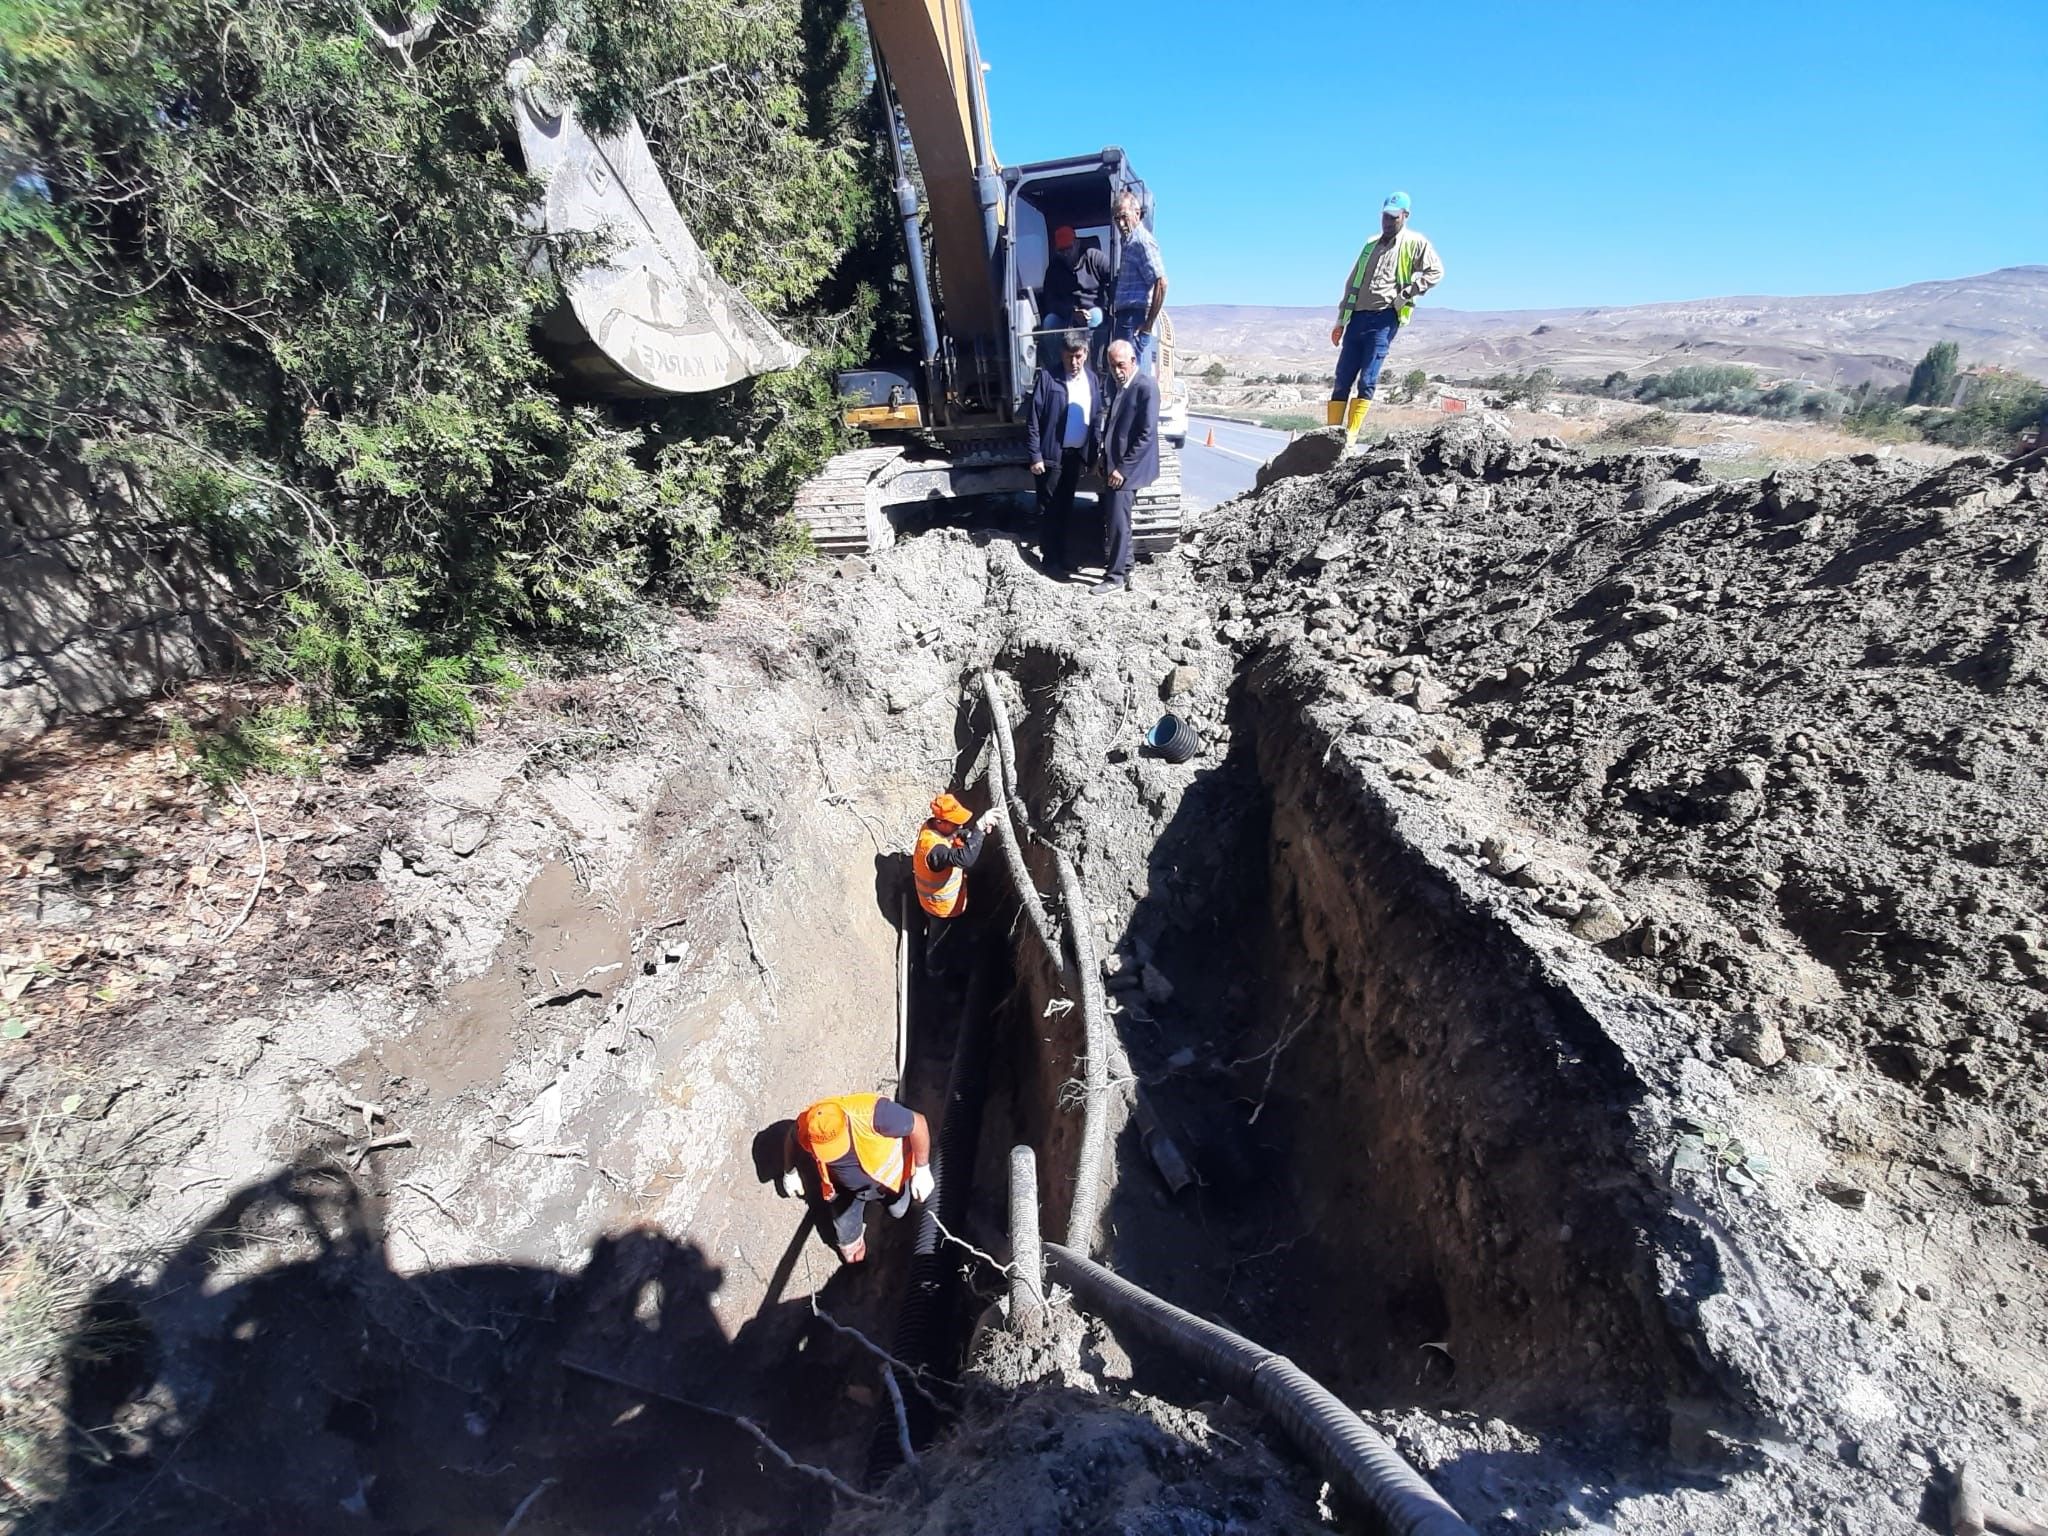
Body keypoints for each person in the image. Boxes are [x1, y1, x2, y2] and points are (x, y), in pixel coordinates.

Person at [1328, 190, 1444, 450]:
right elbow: (1352, 282)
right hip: (1356, 318)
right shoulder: (1370, 245)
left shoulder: (1415, 243)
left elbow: (1436, 271)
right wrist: (1340, 320)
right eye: (1385, 217)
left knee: (1367, 379)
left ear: (1405, 216)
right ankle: (1331, 435)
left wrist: (1409, 292)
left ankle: (1351, 436)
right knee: (1342, 377)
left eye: (1393, 218)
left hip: (1384, 319)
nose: (1388, 222)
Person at [778, 1094, 933, 1264]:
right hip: (843, 1190)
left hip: (887, 1182)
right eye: (826, 1151)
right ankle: (860, 1272)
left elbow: (918, 1123)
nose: (834, 1156)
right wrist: (790, 1172)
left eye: (837, 1146)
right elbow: (792, 1137)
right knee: (852, 1254)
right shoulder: (810, 1126)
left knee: (899, 1211)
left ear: (846, 1123)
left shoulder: (875, 1115)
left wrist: (922, 1169)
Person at [1028, 330, 1107, 580]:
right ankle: (1050, 559)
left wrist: (1093, 457)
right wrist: (1035, 455)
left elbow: (1095, 418)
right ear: (1061, 355)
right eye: (1068, 357)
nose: (1073, 363)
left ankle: (1062, 556)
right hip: (1051, 455)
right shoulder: (1049, 378)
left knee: (1066, 508)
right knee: (1049, 508)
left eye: (1078, 356)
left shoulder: (1092, 380)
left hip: (1075, 455)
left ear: (1085, 354)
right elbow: (1034, 420)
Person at [1094, 339, 1158, 596]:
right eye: (1111, 366)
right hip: (1115, 465)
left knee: (1119, 522)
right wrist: (1104, 457)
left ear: (1133, 361)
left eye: (1120, 364)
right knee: (1117, 519)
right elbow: (1113, 426)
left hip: (1128, 470)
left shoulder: (1145, 387)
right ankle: (1126, 566)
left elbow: (1147, 433)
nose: (1116, 370)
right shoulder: (1121, 387)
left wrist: (1123, 469)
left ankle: (1116, 576)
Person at [1108, 191, 1168, 378]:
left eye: (1124, 217)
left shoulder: (1142, 241)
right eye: (1117, 218)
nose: (1121, 224)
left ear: (1137, 212)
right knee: (1122, 377)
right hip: (1126, 317)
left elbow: (1161, 282)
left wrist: (1148, 324)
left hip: (1135, 317)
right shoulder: (1128, 242)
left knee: (1130, 377)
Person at [1041, 226, 1110, 332]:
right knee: (1050, 321)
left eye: (1069, 248)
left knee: (1096, 316)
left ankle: (1091, 349)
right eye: (1061, 251)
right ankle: (1058, 349)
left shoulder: (1095, 258)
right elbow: (1050, 300)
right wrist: (1071, 313)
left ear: (1077, 244)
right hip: (1066, 315)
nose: (1066, 254)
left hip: (1092, 310)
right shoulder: (1054, 268)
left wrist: (1103, 306)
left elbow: (1113, 281)